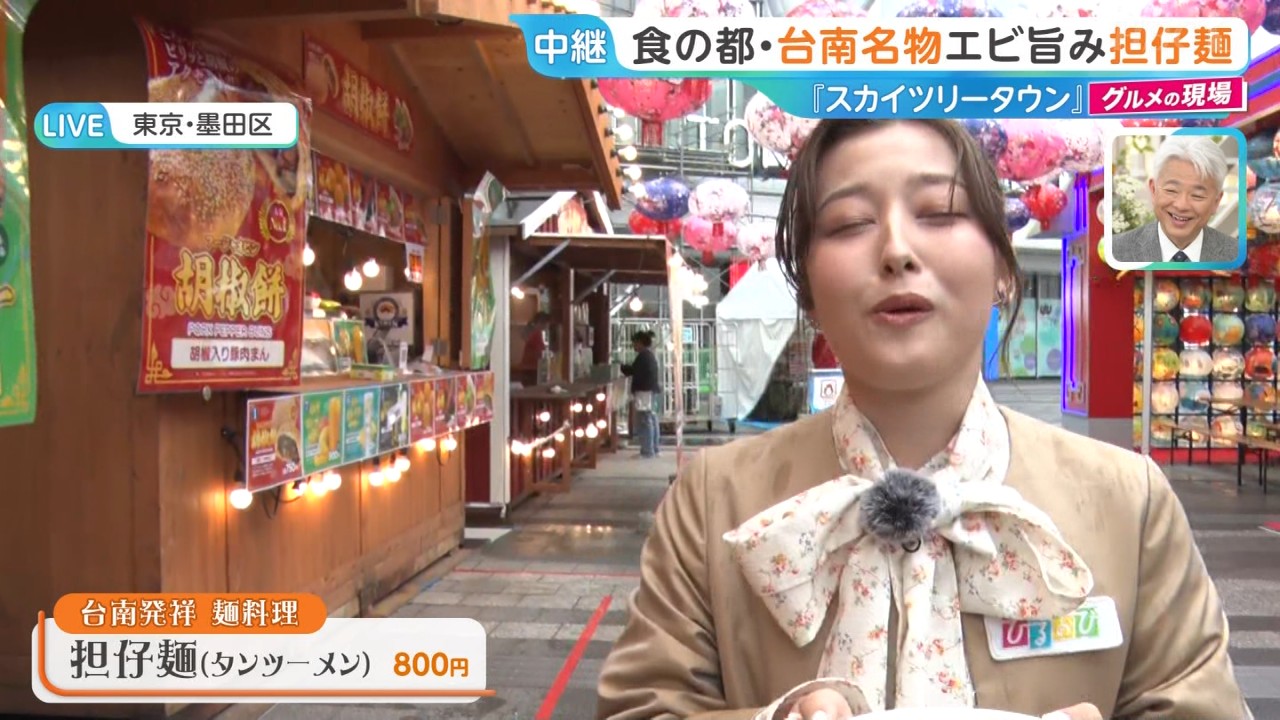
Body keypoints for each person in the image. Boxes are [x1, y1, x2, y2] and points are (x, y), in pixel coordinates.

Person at [596, 120, 1249, 720]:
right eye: (849, 222)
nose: (896, 249)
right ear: (809, 292)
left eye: (938, 212)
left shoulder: (1128, 502)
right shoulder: (713, 500)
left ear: (1002, 267)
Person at [1111, 134, 1240, 264]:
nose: (1181, 205)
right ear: (1153, 189)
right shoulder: (1116, 251)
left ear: (1216, 202)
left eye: (1197, 195)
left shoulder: (1236, 254)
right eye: (1171, 191)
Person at [621, 330, 661, 458]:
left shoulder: (643, 357)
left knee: (645, 420)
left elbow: (634, 371)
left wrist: (621, 367)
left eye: (634, 343)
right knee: (651, 419)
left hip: (644, 391)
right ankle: (654, 448)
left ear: (640, 343)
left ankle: (647, 451)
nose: (633, 345)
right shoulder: (649, 356)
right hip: (650, 390)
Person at [516, 311, 550, 385]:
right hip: (531, 370)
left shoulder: (534, 333)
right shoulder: (536, 334)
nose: (547, 327)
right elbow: (540, 352)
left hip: (528, 369)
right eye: (547, 324)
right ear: (541, 323)